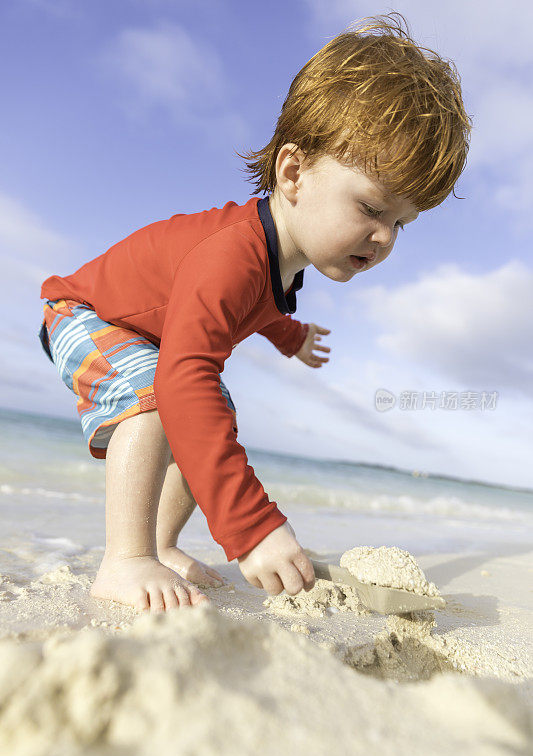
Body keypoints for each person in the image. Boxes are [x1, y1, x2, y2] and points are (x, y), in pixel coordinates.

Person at [38, 12, 471, 613]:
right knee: (164, 400)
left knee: (210, 413)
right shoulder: (232, 257)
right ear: (293, 172)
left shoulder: (280, 265)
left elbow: (257, 311)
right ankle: (125, 558)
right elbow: (186, 371)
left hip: (144, 330)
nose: (385, 238)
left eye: (400, 222)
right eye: (371, 207)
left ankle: (160, 547)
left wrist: (289, 336)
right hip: (84, 311)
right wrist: (252, 525)